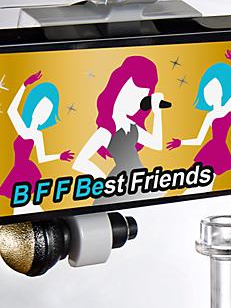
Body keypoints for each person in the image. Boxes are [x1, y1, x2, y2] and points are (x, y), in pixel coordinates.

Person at [73, 55, 165, 205]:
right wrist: (105, 181)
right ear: (117, 88)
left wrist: (157, 113)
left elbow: (157, 144)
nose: (136, 102)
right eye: (133, 93)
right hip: (121, 183)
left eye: (142, 97)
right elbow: (79, 162)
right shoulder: (106, 131)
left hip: (138, 181)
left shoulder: (132, 126)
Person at [166, 50, 231, 191]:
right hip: (211, 150)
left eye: (215, 87)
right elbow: (199, 140)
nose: (211, 92)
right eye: (207, 90)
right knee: (198, 182)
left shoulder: (226, 108)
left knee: (204, 183)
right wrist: (181, 142)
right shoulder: (210, 115)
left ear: (222, 90)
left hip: (219, 150)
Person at [0, 71, 73, 215]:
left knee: (23, 206)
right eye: (41, 107)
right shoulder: (22, 127)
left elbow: (42, 158)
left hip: (26, 172)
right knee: (21, 206)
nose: (42, 112)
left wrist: (59, 156)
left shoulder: (38, 135)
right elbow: (11, 110)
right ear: (34, 105)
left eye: (47, 111)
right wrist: (24, 85)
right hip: (18, 170)